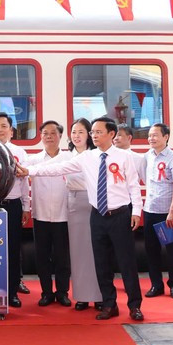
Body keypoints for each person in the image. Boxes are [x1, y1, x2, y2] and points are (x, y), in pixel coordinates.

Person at [17, 117, 144, 322]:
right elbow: (57, 169)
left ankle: (135, 306)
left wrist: (137, 210)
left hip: (121, 214)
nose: (93, 135)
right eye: (92, 132)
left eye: (98, 132)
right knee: (101, 263)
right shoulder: (87, 157)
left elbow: (133, 185)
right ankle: (109, 304)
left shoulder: (124, 157)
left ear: (111, 134)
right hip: (97, 215)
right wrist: (29, 171)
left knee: (126, 262)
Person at [26, 120, 71, 307]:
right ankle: (46, 292)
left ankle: (62, 292)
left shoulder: (69, 158)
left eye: (53, 133)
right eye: (45, 133)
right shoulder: (33, 159)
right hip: (41, 215)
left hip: (64, 215)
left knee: (63, 257)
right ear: (41, 137)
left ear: (60, 136)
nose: (49, 137)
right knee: (42, 256)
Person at [0, 112, 31, 308]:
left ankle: (12, 292)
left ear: (11, 131)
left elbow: (24, 183)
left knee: (13, 250)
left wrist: (26, 206)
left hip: (12, 206)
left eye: (3, 126)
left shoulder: (20, 153)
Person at [142, 123, 173, 300]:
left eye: (155, 135)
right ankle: (156, 285)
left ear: (166, 137)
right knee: (151, 250)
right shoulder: (147, 156)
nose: (151, 138)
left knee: (172, 251)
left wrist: (172, 211)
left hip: (168, 212)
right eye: (149, 135)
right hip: (150, 209)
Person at [64, 118, 102, 311]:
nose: (76, 136)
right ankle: (82, 296)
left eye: (81, 132)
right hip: (74, 203)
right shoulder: (66, 156)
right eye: (73, 132)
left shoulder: (96, 155)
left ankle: (100, 295)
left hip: (94, 203)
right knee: (78, 251)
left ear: (88, 134)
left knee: (97, 250)